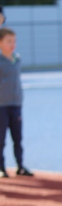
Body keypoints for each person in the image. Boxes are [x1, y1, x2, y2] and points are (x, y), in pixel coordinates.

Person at [0, 28, 33, 178]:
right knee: (1, 139)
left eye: (14, 41)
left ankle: (20, 166)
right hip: (1, 106)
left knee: (18, 138)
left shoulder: (17, 59)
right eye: (9, 41)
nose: (12, 44)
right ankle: (1, 168)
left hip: (16, 104)